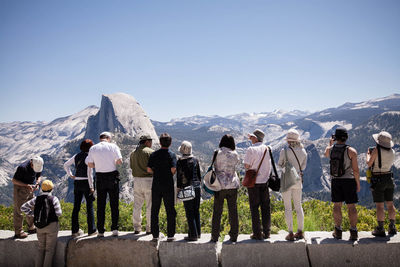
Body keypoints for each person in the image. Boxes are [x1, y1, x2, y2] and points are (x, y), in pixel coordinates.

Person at [324, 127, 360, 241]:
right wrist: (357, 183)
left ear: (336, 137)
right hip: (349, 181)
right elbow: (356, 170)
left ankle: (338, 230)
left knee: (337, 206)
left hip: (336, 180)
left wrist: (330, 143)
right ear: (346, 137)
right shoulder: (351, 151)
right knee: (352, 207)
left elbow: (326, 154)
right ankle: (353, 231)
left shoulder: (330, 149)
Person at [86, 131, 122, 237]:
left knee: (101, 205)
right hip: (112, 177)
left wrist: (98, 164)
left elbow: (89, 164)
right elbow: (120, 161)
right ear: (108, 138)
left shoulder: (93, 148)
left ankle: (101, 231)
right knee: (114, 204)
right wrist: (112, 162)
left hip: (100, 177)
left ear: (100, 138)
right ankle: (115, 228)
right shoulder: (113, 146)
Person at [21, 180, 62, 267]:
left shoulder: (36, 199)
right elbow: (59, 213)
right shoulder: (54, 199)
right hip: (52, 226)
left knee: (40, 249)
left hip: (39, 226)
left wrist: (33, 214)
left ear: (42, 189)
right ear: (52, 189)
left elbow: (23, 207)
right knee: (49, 250)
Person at [278, 129, 307, 241]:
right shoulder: (303, 151)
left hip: (287, 180)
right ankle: (300, 231)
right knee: (298, 206)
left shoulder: (284, 151)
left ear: (289, 140)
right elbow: (303, 167)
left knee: (288, 208)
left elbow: (280, 164)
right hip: (298, 180)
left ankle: (290, 232)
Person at [63, 139, 97, 237]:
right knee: (89, 206)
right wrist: (91, 187)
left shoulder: (76, 156)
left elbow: (66, 165)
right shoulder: (89, 157)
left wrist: (71, 175)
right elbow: (89, 173)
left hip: (77, 182)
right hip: (86, 182)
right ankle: (91, 230)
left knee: (76, 207)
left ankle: (74, 231)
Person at [147, 133, 177, 242]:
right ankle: (170, 235)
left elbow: (149, 169)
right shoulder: (172, 154)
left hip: (156, 185)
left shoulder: (154, 154)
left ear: (159, 143)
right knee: (170, 210)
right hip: (168, 184)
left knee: (155, 209)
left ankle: (155, 235)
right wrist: (167, 174)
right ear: (170, 143)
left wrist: (157, 173)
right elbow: (173, 169)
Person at [366, 131, 397, 236]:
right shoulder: (392, 151)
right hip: (389, 177)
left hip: (378, 178)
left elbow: (369, 163)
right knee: (390, 203)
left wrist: (368, 155)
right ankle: (392, 226)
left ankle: (380, 228)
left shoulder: (376, 150)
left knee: (380, 206)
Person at [211, 134, 240, 243]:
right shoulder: (235, 154)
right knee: (233, 211)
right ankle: (234, 235)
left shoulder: (216, 153)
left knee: (217, 211)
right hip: (232, 185)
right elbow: (237, 164)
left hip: (219, 185)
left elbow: (214, 165)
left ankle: (215, 235)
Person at [244, 129, 272, 240]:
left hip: (253, 182)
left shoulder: (251, 149)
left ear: (256, 138)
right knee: (266, 207)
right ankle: (267, 232)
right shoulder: (267, 148)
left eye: (251, 137)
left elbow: (246, 165)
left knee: (254, 208)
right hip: (265, 182)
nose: (250, 139)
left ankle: (257, 233)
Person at [12, 156, 44, 238]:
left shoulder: (38, 164)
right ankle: (18, 232)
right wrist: (26, 185)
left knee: (32, 207)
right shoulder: (22, 168)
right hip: (20, 188)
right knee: (19, 210)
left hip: (31, 187)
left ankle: (31, 227)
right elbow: (14, 181)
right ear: (31, 163)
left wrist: (37, 183)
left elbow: (39, 175)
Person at [177, 141, 202, 241]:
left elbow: (179, 177)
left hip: (187, 188)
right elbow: (199, 175)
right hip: (197, 188)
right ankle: (198, 233)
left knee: (189, 212)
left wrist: (178, 189)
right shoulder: (195, 160)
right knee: (196, 211)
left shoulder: (180, 161)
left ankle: (193, 235)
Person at [130, 134, 154, 235]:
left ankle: (137, 227)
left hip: (136, 180)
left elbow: (131, 166)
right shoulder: (150, 152)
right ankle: (149, 228)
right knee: (150, 205)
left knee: (137, 205)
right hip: (148, 180)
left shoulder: (133, 153)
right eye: (151, 141)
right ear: (147, 142)